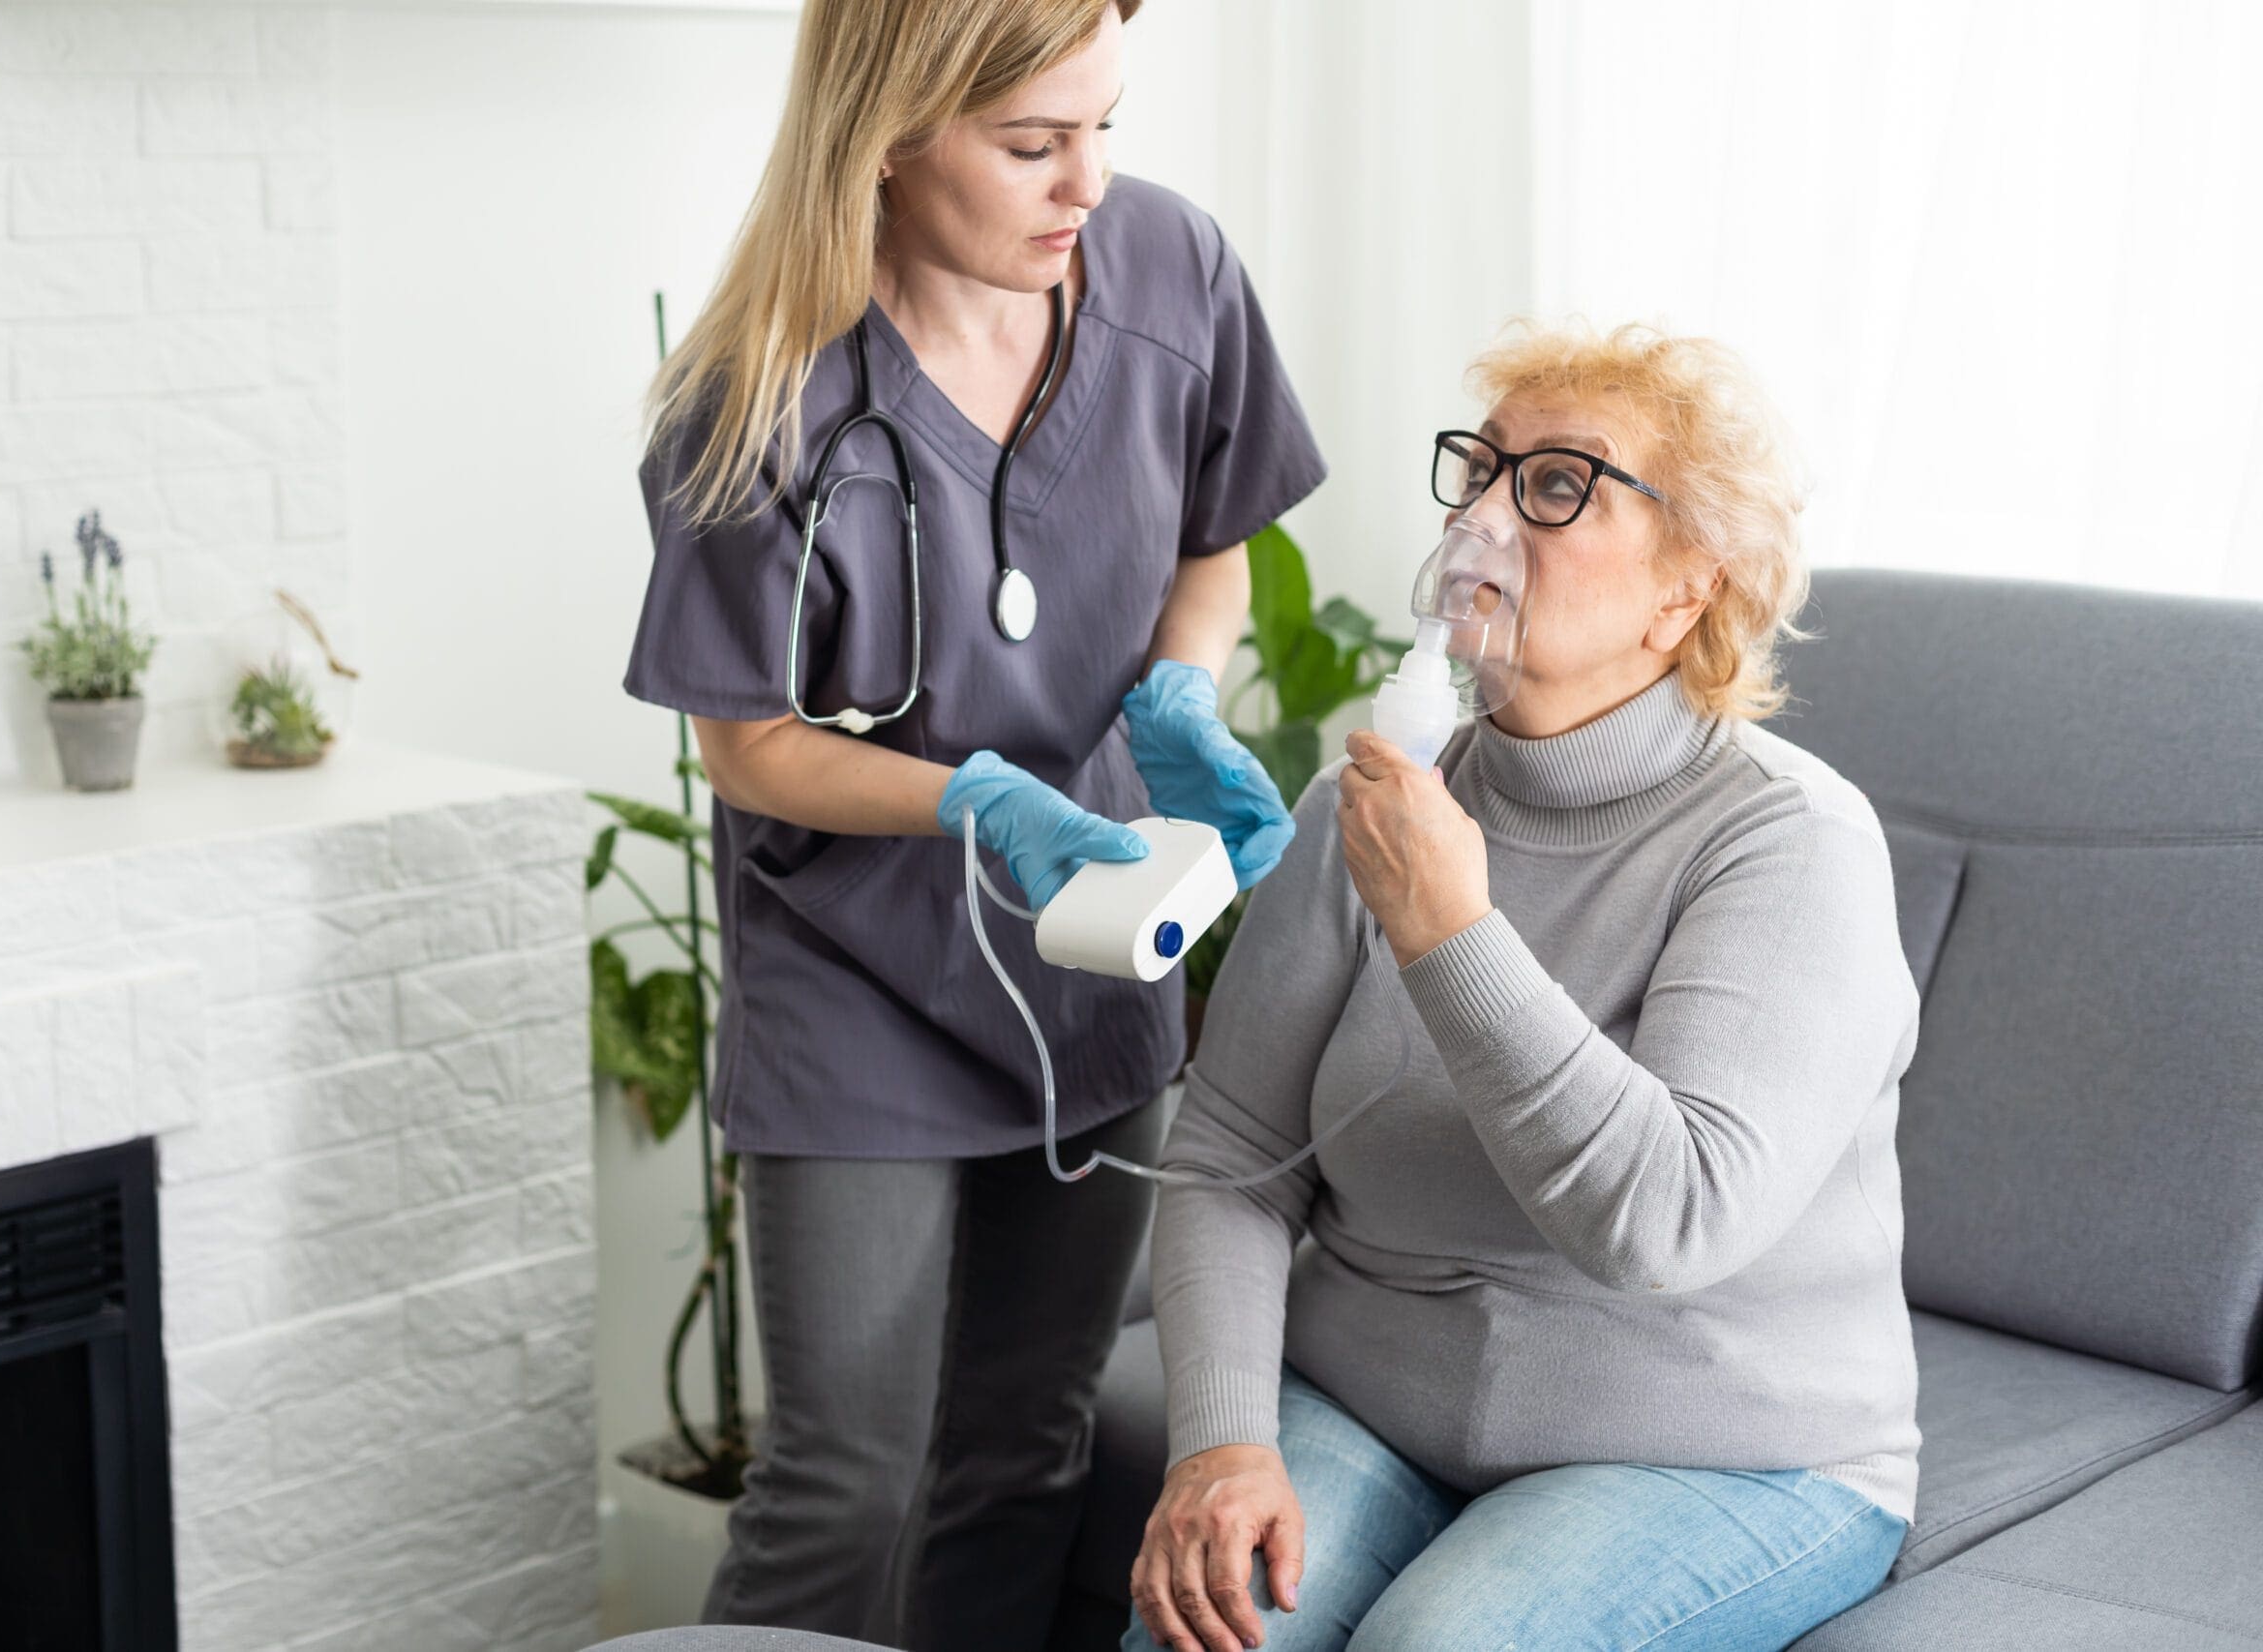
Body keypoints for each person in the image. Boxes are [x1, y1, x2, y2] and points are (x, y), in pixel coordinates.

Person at [620, 1, 1328, 1644]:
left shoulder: (1171, 271)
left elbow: (1213, 532)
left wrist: (1180, 695)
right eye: (1031, 145)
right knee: (842, 1481)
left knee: (1025, 1452)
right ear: (890, 130)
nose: (1085, 183)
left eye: (1105, 128)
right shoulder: (756, 396)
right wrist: (970, 798)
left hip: (1093, 942)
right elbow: (749, 745)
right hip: (854, 971)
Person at [1127, 321, 1921, 1652]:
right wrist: (1220, 1447)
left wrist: (1451, 933)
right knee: (1201, 1637)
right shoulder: (1370, 804)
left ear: (1688, 588)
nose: (1489, 517)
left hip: (1717, 1447)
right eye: (1483, 471)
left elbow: (1670, 1224)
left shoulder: (1790, 845)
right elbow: (1232, 1154)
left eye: (1559, 485)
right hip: (1376, 1400)